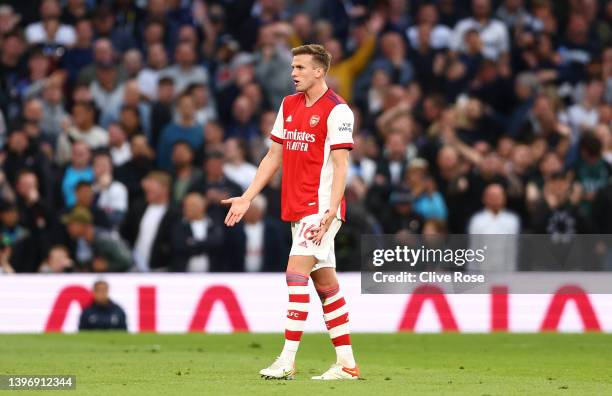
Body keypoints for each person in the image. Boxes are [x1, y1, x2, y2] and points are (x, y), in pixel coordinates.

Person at [223, 44, 359, 380]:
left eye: (300, 67)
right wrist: (246, 197)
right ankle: (346, 364)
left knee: (294, 274)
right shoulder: (288, 105)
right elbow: (273, 157)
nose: (293, 73)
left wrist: (332, 210)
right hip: (297, 209)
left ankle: (287, 359)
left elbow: (341, 165)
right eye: (293, 67)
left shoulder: (338, 111)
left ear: (319, 71)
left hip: (321, 209)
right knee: (325, 285)